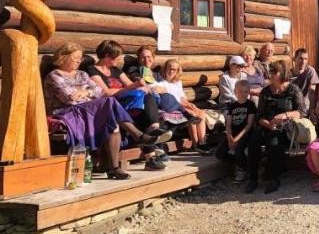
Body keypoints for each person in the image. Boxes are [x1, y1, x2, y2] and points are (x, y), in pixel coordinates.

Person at [44, 43, 168, 180]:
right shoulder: (54, 76)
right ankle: (138, 136)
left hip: (88, 109)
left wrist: (85, 92)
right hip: (67, 113)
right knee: (110, 102)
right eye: (76, 58)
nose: (79, 61)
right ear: (64, 57)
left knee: (113, 122)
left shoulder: (82, 74)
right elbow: (69, 98)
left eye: (80, 58)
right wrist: (88, 94)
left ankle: (114, 168)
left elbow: (99, 92)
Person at [87, 40, 170, 170]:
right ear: (108, 55)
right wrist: (130, 89)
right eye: (117, 56)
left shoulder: (116, 70)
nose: (119, 59)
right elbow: (106, 92)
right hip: (112, 106)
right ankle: (151, 154)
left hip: (127, 104)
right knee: (143, 116)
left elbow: (129, 84)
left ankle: (152, 141)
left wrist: (137, 85)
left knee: (146, 98)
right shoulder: (93, 70)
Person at [245, 60, 304, 194]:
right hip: (267, 125)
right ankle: (252, 178)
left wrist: (284, 115)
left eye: (274, 72)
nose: (271, 74)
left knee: (274, 141)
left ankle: (273, 178)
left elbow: (302, 112)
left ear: (282, 73)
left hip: (285, 127)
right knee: (254, 141)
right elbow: (259, 115)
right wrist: (267, 123)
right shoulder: (266, 91)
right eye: (270, 72)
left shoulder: (293, 89)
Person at [158, 58, 210, 153]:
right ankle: (195, 143)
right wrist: (186, 106)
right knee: (192, 115)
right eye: (169, 68)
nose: (171, 71)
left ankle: (202, 142)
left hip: (181, 105)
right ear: (165, 68)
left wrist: (189, 104)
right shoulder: (162, 83)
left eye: (174, 69)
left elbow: (182, 98)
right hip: (173, 107)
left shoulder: (178, 83)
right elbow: (170, 100)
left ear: (178, 71)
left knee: (201, 113)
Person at [215, 79, 256, 182]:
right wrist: (229, 137)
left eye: (246, 91)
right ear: (235, 92)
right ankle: (241, 163)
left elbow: (249, 124)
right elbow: (228, 124)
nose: (243, 94)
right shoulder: (232, 106)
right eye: (240, 91)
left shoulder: (250, 105)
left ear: (249, 92)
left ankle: (242, 169)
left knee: (239, 149)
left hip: (245, 134)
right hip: (233, 134)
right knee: (219, 153)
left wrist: (237, 139)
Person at [290, 48, 319, 118]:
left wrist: (311, 110)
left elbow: (312, 92)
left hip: (305, 107)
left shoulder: (310, 71)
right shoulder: (288, 74)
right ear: (294, 59)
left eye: (305, 59)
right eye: (300, 58)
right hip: (290, 107)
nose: (303, 61)